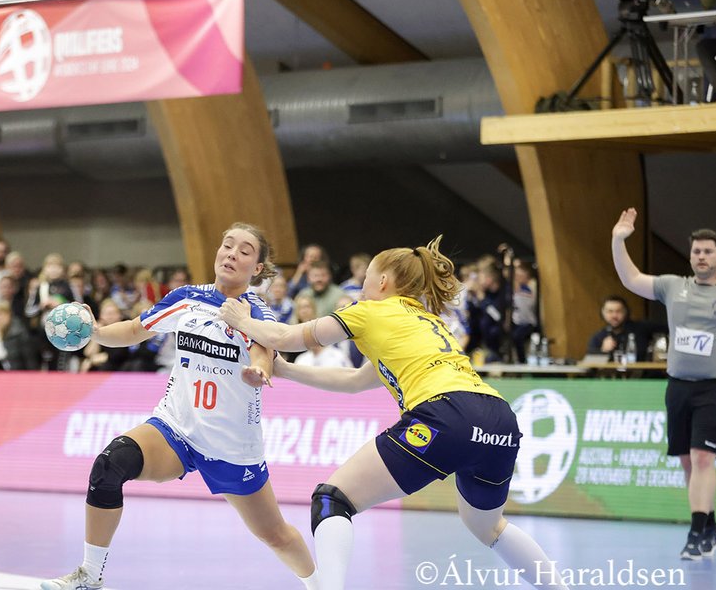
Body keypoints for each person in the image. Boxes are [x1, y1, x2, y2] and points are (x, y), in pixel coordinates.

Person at [220, 236, 568, 590]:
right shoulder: (426, 321)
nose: (361, 286)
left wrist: (242, 319)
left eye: (367, 277)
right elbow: (355, 381)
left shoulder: (370, 311)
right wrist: (285, 370)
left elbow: (286, 336)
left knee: (332, 499)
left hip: (446, 415)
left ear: (383, 281)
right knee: (489, 527)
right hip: (499, 420)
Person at [40, 223, 317, 590]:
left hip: (231, 447)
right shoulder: (187, 298)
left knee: (275, 535)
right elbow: (136, 329)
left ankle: (320, 584)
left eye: (245, 251)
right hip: (175, 428)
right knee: (109, 465)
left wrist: (259, 371)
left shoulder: (257, 314)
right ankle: (89, 576)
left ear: (258, 268)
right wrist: (96, 332)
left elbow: (264, 352)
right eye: (227, 245)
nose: (232, 254)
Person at [611, 208, 716, 559]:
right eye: (696, 251)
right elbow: (631, 279)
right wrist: (618, 240)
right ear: (690, 257)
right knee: (687, 461)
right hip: (678, 387)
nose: (701, 256)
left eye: (708, 251)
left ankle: (695, 533)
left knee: (703, 457)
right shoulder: (673, 286)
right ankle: (710, 528)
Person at [585, 295, 660, 363]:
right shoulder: (598, 337)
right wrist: (603, 350)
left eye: (618, 311)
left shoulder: (641, 328)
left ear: (626, 312)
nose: (614, 316)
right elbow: (590, 365)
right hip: (610, 373)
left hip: (640, 372)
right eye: (610, 311)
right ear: (603, 314)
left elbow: (665, 328)